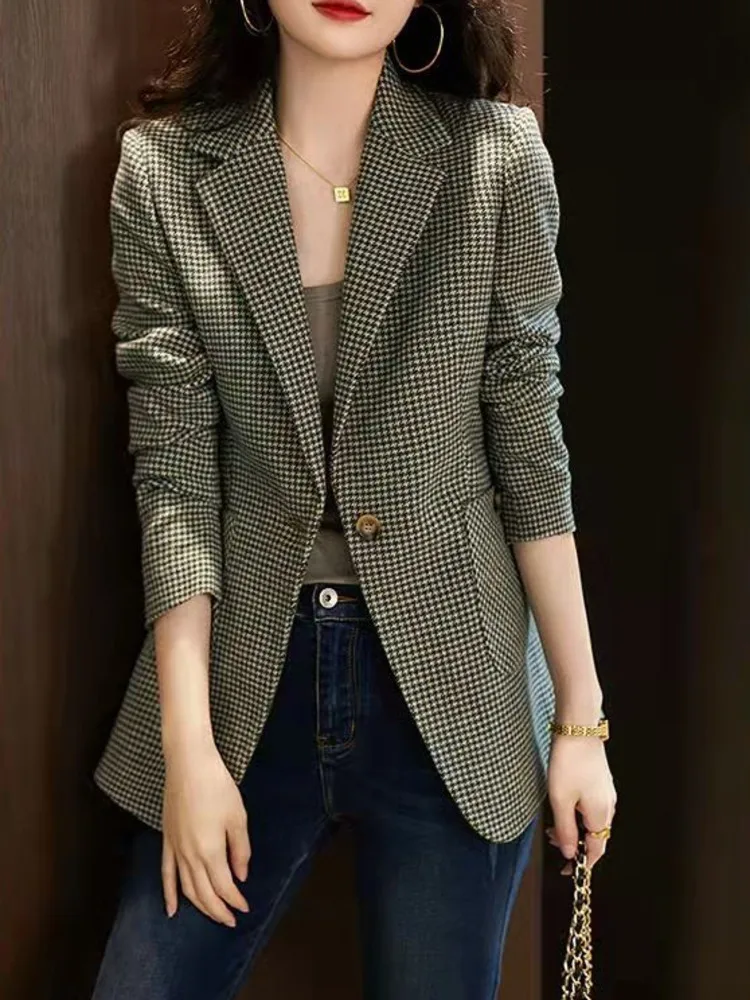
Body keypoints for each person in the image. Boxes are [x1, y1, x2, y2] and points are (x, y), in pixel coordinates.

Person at [91, 1, 617, 997]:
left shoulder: (496, 159)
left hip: (455, 682)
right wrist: (187, 748)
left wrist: (580, 725)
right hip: (244, 676)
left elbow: (531, 451)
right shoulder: (162, 173)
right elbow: (174, 476)